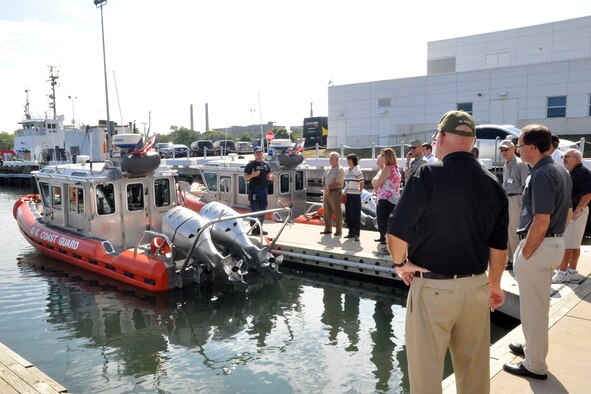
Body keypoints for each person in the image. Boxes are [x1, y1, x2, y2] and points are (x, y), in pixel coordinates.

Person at [388, 110, 508, 393]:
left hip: (433, 289)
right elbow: (499, 248)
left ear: (441, 137)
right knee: (474, 374)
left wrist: (400, 264)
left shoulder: (427, 174)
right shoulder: (493, 183)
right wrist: (494, 286)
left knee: (425, 376)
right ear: (473, 140)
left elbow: (396, 232)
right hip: (477, 288)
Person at [503, 124, 571, 381]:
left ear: (531, 147)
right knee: (537, 307)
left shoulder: (541, 174)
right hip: (553, 243)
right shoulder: (559, 169)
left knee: (534, 309)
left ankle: (535, 365)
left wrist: (526, 252)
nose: (518, 149)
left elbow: (541, 220)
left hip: (539, 247)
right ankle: (532, 350)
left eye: (519, 145)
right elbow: (564, 212)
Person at [553, 149, 591, 283]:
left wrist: (577, 210)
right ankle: (572, 272)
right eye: (563, 156)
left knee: (568, 244)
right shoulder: (574, 173)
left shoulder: (582, 173)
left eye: (567, 156)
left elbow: (588, 193)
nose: (564, 158)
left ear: (576, 158)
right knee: (574, 244)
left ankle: (563, 273)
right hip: (574, 211)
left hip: (576, 212)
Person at [499, 139, 530, 270]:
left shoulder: (520, 164)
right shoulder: (506, 165)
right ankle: (511, 259)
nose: (504, 152)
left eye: (506, 149)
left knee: (514, 230)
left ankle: (517, 259)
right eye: (502, 150)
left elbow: (525, 188)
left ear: (514, 149)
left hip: (516, 199)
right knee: (507, 231)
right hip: (507, 199)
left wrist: (524, 207)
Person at [372, 148, 401, 251]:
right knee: (391, 224)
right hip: (394, 198)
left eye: (383, 155)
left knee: (383, 224)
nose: (381, 158)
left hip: (385, 199)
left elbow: (377, 184)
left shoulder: (387, 169)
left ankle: (389, 248)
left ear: (387, 157)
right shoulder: (396, 168)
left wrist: (375, 183)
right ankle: (391, 247)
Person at [244, 146, 274, 235]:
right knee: (255, 209)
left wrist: (271, 177)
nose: (259, 154)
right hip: (254, 190)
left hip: (264, 190)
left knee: (262, 209)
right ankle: (253, 228)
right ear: (254, 154)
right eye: (257, 152)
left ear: (262, 153)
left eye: (260, 152)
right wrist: (252, 175)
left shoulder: (266, 165)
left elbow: (269, 175)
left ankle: (259, 228)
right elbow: (245, 177)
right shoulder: (250, 165)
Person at [320, 152, 345, 236]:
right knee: (327, 211)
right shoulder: (328, 169)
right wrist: (325, 187)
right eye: (329, 158)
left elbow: (338, 182)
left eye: (331, 158)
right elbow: (323, 179)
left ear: (337, 159)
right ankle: (328, 229)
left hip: (335, 192)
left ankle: (338, 230)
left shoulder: (340, 170)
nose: (329, 160)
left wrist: (329, 188)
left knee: (337, 211)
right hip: (326, 192)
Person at [343, 153, 364, 241]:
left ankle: (357, 234)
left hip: (355, 195)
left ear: (353, 161)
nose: (348, 161)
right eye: (348, 159)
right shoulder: (346, 171)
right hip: (348, 194)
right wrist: (344, 193)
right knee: (348, 214)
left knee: (356, 215)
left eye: (350, 159)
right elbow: (346, 183)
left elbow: (361, 183)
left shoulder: (358, 171)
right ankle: (351, 232)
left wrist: (359, 192)